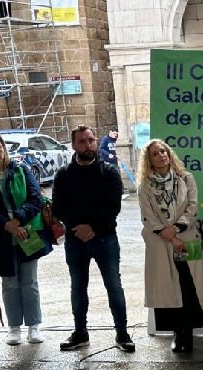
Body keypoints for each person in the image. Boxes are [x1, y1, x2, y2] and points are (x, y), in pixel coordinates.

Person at [52, 124, 135, 353]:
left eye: (90, 140)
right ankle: (80, 333)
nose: (87, 145)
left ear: (96, 142)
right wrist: (80, 228)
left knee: (114, 286)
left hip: (105, 238)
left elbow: (113, 206)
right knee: (78, 287)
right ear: (73, 145)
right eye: (82, 141)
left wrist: (93, 227)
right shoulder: (64, 174)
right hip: (75, 239)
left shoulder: (108, 171)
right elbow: (59, 206)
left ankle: (122, 333)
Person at [0, 130, 52, 346]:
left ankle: (34, 326)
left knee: (30, 282)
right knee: (9, 283)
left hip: (28, 231)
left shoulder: (21, 170)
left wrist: (18, 219)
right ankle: (13, 327)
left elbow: (36, 200)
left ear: (4, 149)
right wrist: (6, 225)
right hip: (1, 237)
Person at [136, 139, 203, 353]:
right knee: (167, 288)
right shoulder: (144, 186)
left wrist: (175, 230)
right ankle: (176, 332)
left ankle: (188, 332)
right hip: (161, 243)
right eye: (155, 154)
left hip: (187, 237)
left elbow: (193, 208)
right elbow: (148, 217)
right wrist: (169, 235)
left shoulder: (186, 179)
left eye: (163, 151)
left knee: (189, 286)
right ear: (149, 160)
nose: (161, 156)